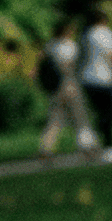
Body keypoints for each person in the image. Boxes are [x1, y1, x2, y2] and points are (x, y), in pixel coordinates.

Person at [37, 19, 93, 155]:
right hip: (69, 84)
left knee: (55, 118)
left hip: (55, 88)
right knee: (80, 117)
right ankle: (87, 144)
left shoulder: (50, 46)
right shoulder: (70, 46)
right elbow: (70, 66)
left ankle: (46, 146)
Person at [79, 5, 112, 157]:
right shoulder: (103, 33)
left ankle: (91, 142)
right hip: (103, 78)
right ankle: (108, 144)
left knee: (98, 113)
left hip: (87, 78)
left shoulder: (86, 34)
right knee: (109, 113)